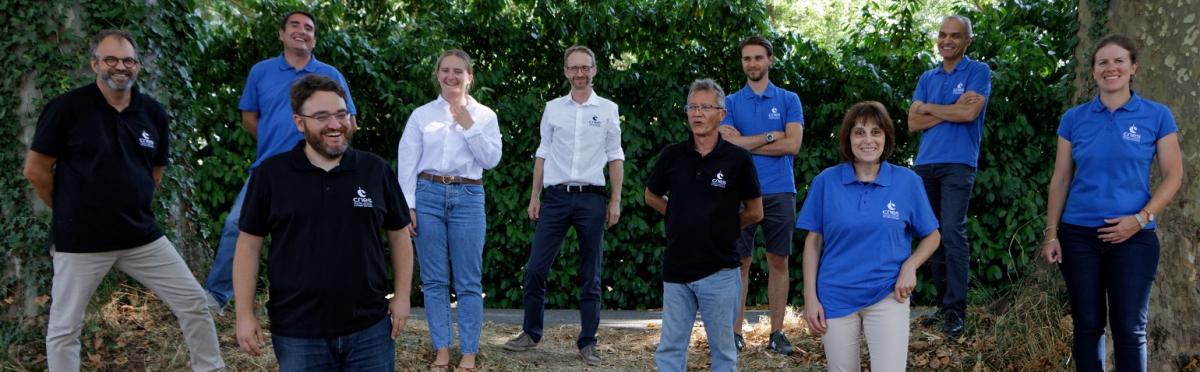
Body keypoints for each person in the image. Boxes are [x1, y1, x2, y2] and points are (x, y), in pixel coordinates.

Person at [23, 29, 224, 372]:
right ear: (94, 64)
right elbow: (35, 170)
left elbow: (155, 172)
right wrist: (69, 208)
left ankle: (211, 368)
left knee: (194, 302)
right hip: (80, 241)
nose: (121, 67)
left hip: (140, 236)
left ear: (138, 67)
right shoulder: (67, 109)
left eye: (128, 60)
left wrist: (132, 199)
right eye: (111, 59)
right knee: (64, 327)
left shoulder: (153, 113)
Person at [232, 74, 414, 370]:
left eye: (341, 114)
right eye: (321, 116)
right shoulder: (271, 175)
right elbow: (248, 247)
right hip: (297, 333)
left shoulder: (374, 170)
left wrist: (403, 297)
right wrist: (244, 314)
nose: (335, 124)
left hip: (369, 328)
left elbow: (399, 236)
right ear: (299, 122)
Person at [1041, 35, 1183, 371]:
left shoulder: (1157, 116)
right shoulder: (1074, 119)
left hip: (1134, 237)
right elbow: (1061, 178)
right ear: (1093, 72)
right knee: (1088, 326)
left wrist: (1140, 217)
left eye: (1119, 61)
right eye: (1103, 62)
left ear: (1133, 67)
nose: (1111, 68)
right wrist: (1051, 233)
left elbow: (1173, 176)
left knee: (1130, 330)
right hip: (1078, 237)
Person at [204, 10, 358, 313]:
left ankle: (319, 299)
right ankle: (216, 297)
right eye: (295, 25)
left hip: (319, 169)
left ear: (315, 38)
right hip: (269, 168)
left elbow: (349, 120)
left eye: (309, 28)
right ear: (282, 34)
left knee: (317, 233)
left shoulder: (330, 74)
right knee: (238, 224)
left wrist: (326, 148)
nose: (302, 31)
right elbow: (249, 117)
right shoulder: (261, 72)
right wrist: (276, 146)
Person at [503, 45, 624, 366]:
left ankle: (588, 343)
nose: (580, 73)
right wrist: (534, 196)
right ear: (566, 71)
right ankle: (531, 333)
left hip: (592, 199)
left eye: (585, 67)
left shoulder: (608, 109)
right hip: (555, 198)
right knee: (535, 269)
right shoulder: (553, 108)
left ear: (594, 70)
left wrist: (615, 200)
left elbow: (615, 156)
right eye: (574, 68)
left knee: (591, 274)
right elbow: (542, 152)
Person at [797, 101, 941, 371]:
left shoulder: (907, 182)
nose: (868, 140)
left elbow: (933, 236)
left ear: (886, 138)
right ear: (848, 138)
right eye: (859, 132)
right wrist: (810, 297)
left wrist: (910, 266)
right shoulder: (825, 182)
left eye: (876, 132)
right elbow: (813, 243)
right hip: (835, 296)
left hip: (888, 293)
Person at [645, 79, 763, 372]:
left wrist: (723, 225)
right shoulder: (672, 155)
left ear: (721, 114)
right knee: (670, 348)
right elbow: (650, 195)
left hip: (720, 271)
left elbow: (755, 211)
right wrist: (676, 214)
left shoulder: (738, 159)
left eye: (705, 107)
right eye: (692, 107)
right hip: (677, 270)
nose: (697, 113)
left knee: (723, 351)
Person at [396, 49, 502, 372]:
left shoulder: (484, 115)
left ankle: (468, 353)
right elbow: (407, 162)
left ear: (470, 76)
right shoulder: (421, 115)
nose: (451, 76)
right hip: (427, 195)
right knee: (434, 280)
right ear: (438, 74)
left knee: (469, 280)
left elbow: (491, 159)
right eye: (445, 70)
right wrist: (408, 204)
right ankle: (442, 350)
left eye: (459, 71)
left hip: (468, 196)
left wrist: (468, 123)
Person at [717, 35, 805, 354]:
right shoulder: (729, 103)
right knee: (738, 261)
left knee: (778, 259)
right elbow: (725, 146)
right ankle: (734, 333)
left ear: (770, 60)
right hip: (739, 192)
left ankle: (777, 333)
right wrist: (770, 135)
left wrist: (747, 142)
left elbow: (792, 145)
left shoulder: (788, 100)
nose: (752, 63)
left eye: (758, 58)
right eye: (746, 58)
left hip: (780, 189)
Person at [905, 14, 991, 336]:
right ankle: (942, 308)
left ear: (967, 40)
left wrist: (929, 108)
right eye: (942, 35)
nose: (947, 41)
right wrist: (948, 108)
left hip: (958, 164)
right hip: (925, 164)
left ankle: (956, 311)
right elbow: (912, 123)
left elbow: (969, 113)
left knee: (953, 233)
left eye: (955, 36)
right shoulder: (928, 76)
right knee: (932, 234)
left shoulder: (978, 72)